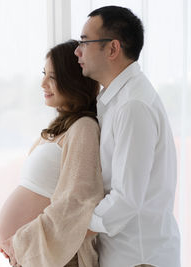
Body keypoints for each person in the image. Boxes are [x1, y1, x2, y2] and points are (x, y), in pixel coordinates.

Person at [73, 6, 181, 267]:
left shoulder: (133, 106)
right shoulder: (116, 100)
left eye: (85, 42)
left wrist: (72, 229)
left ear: (112, 49)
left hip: (139, 258)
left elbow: (126, 198)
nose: (77, 51)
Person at [0, 40, 104, 267]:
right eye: (44, 74)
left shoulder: (84, 127)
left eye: (52, 77)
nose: (43, 83)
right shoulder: (60, 128)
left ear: (73, 80)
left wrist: (22, 242)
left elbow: (78, 202)